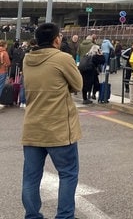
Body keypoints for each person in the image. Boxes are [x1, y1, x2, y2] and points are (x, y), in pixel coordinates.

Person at [21, 23, 82, 219]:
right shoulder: (63, 58)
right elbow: (77, 84)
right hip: (59, 128)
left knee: (31, 177)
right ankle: (64, 216)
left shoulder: (27, 59)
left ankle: (32, 215)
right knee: (68, 173)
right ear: (56, 39)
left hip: (32, 127)